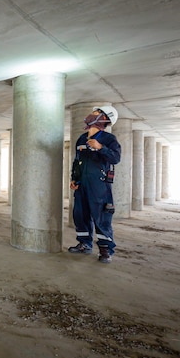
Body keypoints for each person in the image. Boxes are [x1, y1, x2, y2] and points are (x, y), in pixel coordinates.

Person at [68, 106, 121, 263]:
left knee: (101, 217)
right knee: (80, 214)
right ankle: (85, 243)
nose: (91, 115)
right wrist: (74, 178)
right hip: (82, 185)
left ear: (105, 119)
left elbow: (116, 158)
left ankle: (105, 250)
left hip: (99, 185)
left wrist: (101, 148)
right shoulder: (81, 139)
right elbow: (77, 161)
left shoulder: (109, 139)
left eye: (96, 113)